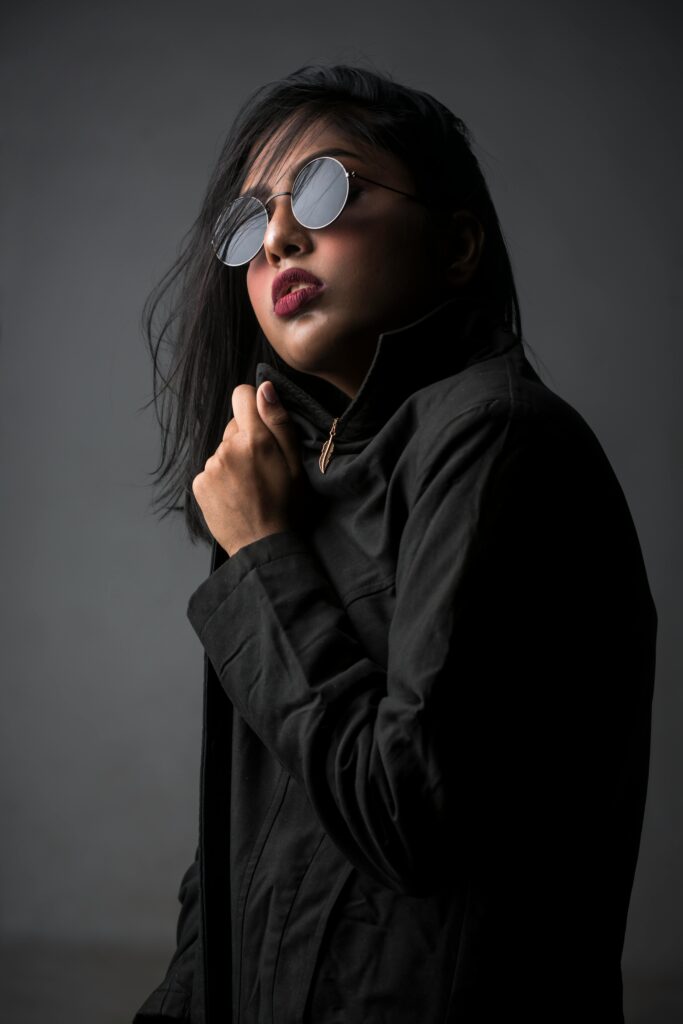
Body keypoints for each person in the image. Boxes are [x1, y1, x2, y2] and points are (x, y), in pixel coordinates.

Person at [131, 63, 657, 1024]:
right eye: (251, 221)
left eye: (327, 188)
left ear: (456, 244)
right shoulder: (285, 477)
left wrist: (261, 559)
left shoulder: (498, 438)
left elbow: (410, 816)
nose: (281, 234)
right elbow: (232, 861)